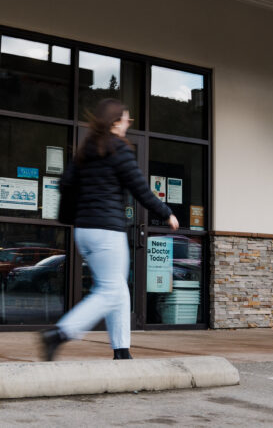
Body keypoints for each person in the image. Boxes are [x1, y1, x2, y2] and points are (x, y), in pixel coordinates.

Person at [41, 99, 179, 361]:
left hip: (85, 232)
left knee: (117, 288)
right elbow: (140, 189)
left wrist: (71, 215)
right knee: (108, 290)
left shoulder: (85, 151)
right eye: (127, 119)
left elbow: (65, 185)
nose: (128, 124)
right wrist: (166, 212)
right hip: (107, 232)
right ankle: (60, 332)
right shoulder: (118, 149)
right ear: (116, 122)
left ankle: (121, 349)